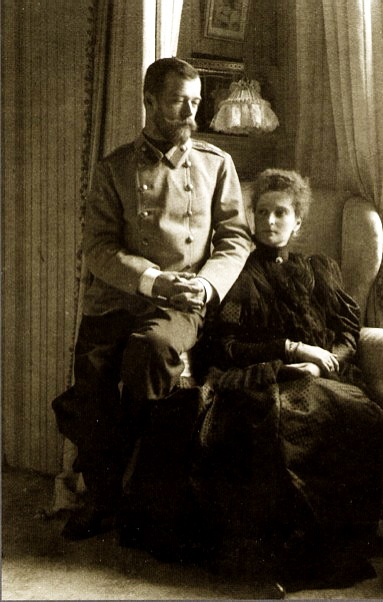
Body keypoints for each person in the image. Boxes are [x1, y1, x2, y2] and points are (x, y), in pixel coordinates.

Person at [52, 57, 252, 541]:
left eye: (196, 101)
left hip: (181, 302)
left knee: (151, 351)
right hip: (116, 299)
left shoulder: (215, 164)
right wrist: (151, 280)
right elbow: (98, 247)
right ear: (149, 101)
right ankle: (102, 498)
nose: (191, 112)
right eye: (179, 101)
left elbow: (235, 239)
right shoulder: (114, 169)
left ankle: (139, 496)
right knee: (92, 387)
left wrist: (206, 285)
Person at [190, 168, 383, 591]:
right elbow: (227, 346)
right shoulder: (238, 273)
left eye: (281, 213)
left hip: (322, 377)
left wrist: (322, 364)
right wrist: (292, 351)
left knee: (362, 415)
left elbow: (346, 334)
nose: (270, 221)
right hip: (262, 378)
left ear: (298, 221)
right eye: (262, 212)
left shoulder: (319, 270)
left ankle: (330, 547)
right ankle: (289, 554)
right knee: (283, 421)